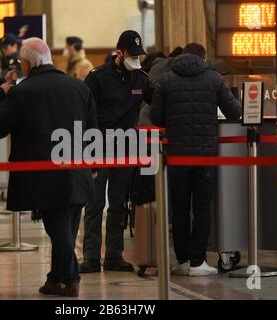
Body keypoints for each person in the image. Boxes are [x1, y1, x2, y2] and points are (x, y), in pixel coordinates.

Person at [0, 37, 97, 297]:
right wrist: (92, 165)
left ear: (26, 63)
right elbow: (93, 129)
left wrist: (0, 93)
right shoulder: (78, 87)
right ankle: (55, 279)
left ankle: (71, 280)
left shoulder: (23, 91)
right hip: (78, 169)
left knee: (58, 231)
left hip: (44, 176)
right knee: (66, 231)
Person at [150, 43, 242, 276]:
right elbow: (234, 112)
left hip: (178, 154)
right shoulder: (213, 78)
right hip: (205, 154)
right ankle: (198, 262)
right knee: (201, 208)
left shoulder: (166, 80)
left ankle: (182, 261)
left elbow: (156, 118)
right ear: (204, 57)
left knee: (179, 209)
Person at [80, 30, 154, 273]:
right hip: (97, 146)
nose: (136, 59)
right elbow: (83, 112)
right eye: (131, 55)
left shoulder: (141, 79)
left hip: (125, 148)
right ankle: (91, 257)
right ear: (119, 53)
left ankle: (114, 255)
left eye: (138, 55)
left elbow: (158, 102)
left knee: (119, 203)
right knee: (94, 203)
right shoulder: (97, 78)